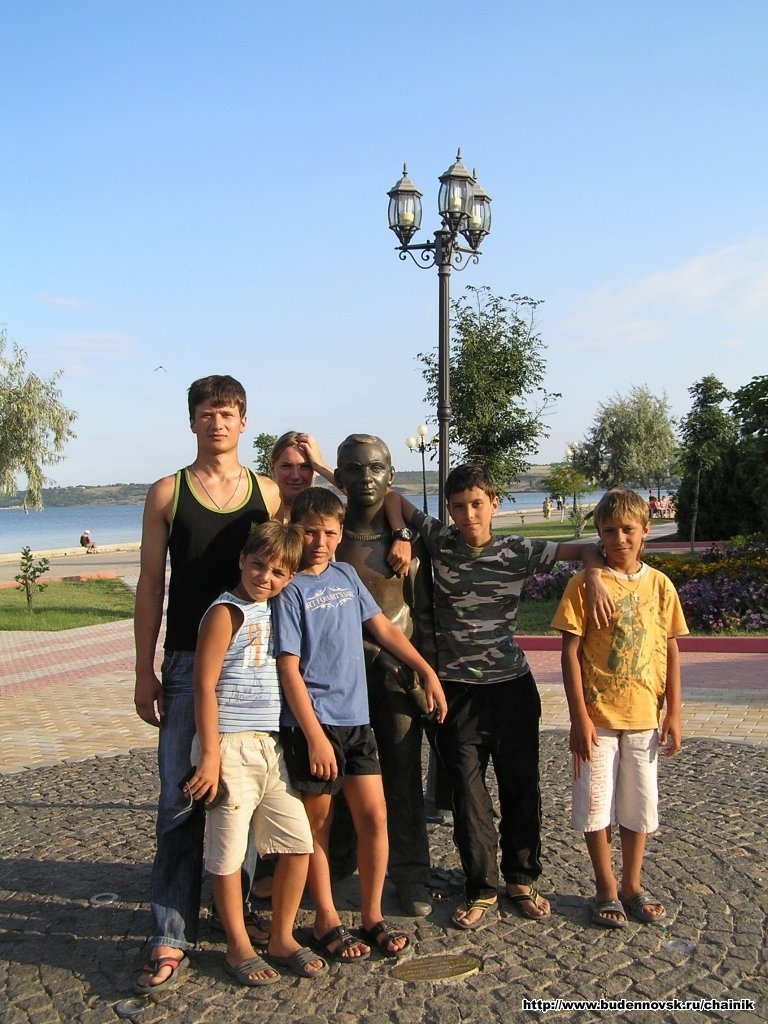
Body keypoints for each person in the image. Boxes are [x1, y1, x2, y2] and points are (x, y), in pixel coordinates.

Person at [396, 464, 612, 932]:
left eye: (477, 504)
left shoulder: (518, 550)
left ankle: (521, 879)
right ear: (448, 510)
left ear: (494, 504)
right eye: (458, 506)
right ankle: (481, 887)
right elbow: (393, 499)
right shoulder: (441, 541)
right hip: (456, 694)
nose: (468, 514)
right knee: (469, 797)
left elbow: (587, 548)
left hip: (512, 690)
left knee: (521, 788)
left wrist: (593, 576)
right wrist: (401, 535)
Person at [133, 374, 280, 994]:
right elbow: (151, 583)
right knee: (180, 798)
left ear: (243, 421)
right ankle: (170, 931)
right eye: (206, 413)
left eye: (227, 413)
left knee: (239, 798)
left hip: (253, 665)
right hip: (188, 663)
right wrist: (144, 668)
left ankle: (232, 913)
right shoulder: (168, 492)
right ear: (192, 420)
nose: (217, 423)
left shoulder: (267, 492)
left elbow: (290, 567)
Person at [273, 487, 446, 961]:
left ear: (341, 533)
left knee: (374, 815)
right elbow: (288, 667)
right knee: (319, 826)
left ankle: (372, 914)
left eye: (330, 533)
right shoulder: (289, 589)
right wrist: (313, 735)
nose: (320, 542)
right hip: (314, 726)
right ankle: (326, 918)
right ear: (295, 531)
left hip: (356, 720)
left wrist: (425, 670)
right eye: (310, 532)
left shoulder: (346, 575)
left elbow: (383, 628)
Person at [186, 521, 326, 984]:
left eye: (278, 572)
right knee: (228, 853)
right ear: (242, 561)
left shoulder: (275, 608)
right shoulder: (226, 612)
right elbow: (203, 686)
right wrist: (209, 755)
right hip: (228, 745)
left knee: (298, 843)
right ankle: (237, 946)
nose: (265, 577)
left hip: (269, 744)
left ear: (290, 577)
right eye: (259, 565)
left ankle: (282, 937)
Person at [551, 488, 687, 929]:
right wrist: (578, 717)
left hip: (644, 716)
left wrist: (674, 712)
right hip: (598, 719)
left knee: (638, 805)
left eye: (628, 529)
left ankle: (632, 883)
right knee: (595, 805)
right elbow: (569, 653)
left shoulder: (660, 585)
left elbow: (671, 648)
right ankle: (605, 886)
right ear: (599, 534)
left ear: (645, 530)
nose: (619, 539)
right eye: (609, 531)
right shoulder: (583, 585)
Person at [334, 433, 438, 917]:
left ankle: (411, 872)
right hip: (341, 681)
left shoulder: (406, 546)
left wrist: (424, 674)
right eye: (354, 469)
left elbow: (423, 614)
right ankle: (337, 862)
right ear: (339, 476)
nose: (366, 478)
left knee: (402, 776)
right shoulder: (328, 540)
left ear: (391, 475)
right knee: (338, 776)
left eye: (375, 468)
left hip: (399, 679)